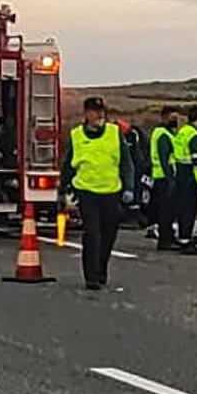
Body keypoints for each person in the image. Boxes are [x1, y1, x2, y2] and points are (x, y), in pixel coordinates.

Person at [60, 96, 135, 290]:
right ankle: (91, 276)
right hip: (86, 191)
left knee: (108, 234)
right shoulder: (77, 135)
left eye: (101, 111)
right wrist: (62, 189)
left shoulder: (114, 133)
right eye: (94, 111)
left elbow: (126, 163)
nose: (99, 114)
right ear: (86, 114)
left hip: (111, 191)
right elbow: (68, 165)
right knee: (92, 234)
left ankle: (101, 270)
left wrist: (129, 187)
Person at [172, 105, 197, 254]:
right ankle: (186, 240)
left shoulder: (182, 132)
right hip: (190, 176)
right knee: (189, 209)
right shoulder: (195, 136)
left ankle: (183, 238)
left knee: (181, 208)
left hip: (179, 173)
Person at [150, 106, 180, 250]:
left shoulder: (166, 133)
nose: (174, 120)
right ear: (164, 117)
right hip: (163, 177)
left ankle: (168, 237)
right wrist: (170, 179)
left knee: (168, 210)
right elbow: (164, 158)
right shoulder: (163, 134)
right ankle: (165, 240)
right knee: (166, 211)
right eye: (172, 117)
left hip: (162, 176)